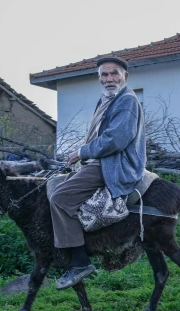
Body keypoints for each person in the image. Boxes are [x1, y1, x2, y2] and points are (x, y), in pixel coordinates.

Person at [50, 56, 146, 290]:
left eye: (114, 73)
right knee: (53, 183)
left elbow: (116, 139)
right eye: (104, 75)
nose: (109, 78)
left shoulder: (126, 101)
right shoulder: (108, 100)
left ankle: (80, 261)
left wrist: (82, 152)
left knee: (60, 198)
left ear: (125, 76)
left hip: (115, 164)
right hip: (102, 160)